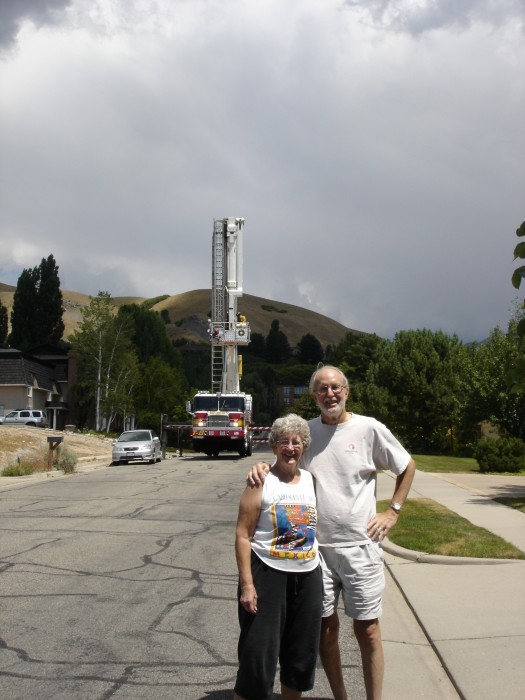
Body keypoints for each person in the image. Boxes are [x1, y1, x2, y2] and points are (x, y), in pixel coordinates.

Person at [248, 366, 416, 700]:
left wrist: (392, 511)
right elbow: (287, 460)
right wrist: (261, 467)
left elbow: (406, 465)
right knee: (325, 631)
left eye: (336, 388)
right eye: (322, 389)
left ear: (347, 391)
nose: (330, 394)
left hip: (360, 547)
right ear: (313, 396)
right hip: (315, 553)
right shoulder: (307, 433)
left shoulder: (368, 429)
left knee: (367, 630)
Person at [234, 413, 322, 700]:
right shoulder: (260, 481)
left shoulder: (310, 480)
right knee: (257, 655)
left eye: (296, 442)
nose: (290, 447)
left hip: (308, 577)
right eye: (283, 442)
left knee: (299, 656)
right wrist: (247, 585)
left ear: (304, 447)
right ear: (273, 446)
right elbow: (243, 535)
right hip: (267, 574)